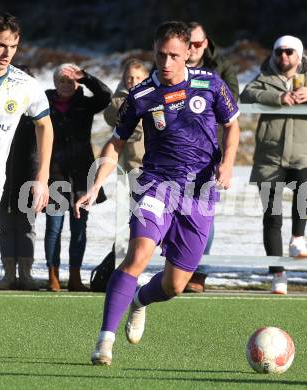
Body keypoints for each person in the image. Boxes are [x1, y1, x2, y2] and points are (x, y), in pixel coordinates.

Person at [75, 21, 240, 366]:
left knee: (175, 285)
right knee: (137, 256)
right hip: (156, 184)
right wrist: (95, 184)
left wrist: (227, 163)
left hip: (200, 191)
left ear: (189, 54)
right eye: (160, 55)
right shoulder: (141, 95)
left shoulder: (211, 85)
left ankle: (139, 300)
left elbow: (232, 125)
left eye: (173, 56)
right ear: (154, 51)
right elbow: (116, 142)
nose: (165, 63)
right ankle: (104, 341)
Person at [240, 35, 307, 294]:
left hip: (303, 153)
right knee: (272, 216)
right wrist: (277, 98)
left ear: (299, 55)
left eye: (289, 52)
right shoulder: (265, 77)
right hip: (270, 156)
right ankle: (278, 275)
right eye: (279, 52)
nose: (283, 57)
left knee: (303, 191)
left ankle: (298, 239)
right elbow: (246, 95)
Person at [45, 63, 111, 292]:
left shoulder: (85, 103)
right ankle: (52, 275)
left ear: (76, 84)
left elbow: (106, 95)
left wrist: (86, 77)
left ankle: (75, 277)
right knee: (53, 228)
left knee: (79, 229)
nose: (65, 85)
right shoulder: (44, 103)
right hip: (54, 175)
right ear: (55, 83)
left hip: (82, 176)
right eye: (61, 81)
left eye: (70, 81)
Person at [184, 21, 240, 293]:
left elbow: (230, 109)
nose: (193, 49)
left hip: (208, 152)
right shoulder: (169, 65)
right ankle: (178, 267)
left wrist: (226, 163)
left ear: (206, 43)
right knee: (172, 212)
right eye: (189, 43)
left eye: (198, 43)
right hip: (172, 153)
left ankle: (199, 272)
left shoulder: (221, 69)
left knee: (204, 214)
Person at [0, 13, 53, 288]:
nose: (5, 52)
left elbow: (45, 125)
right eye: (0, 44)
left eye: (12, 46)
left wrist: (42, 177)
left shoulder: (25, 85)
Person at [0, 65, 39, 290]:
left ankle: (26, 274)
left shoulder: (36, 115)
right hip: (3, 180)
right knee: (5, 227)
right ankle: (8, 275)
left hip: (28, 180)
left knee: (26, 227)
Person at [103, 58, 149, 172]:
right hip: (132, 159)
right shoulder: (119, 99)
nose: (133, 81)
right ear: (124, 79)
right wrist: (119, 104)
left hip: (153, 156)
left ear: (145, 79)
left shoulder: (152, 97)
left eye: (138, 78)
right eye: (130, 77)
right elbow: (109, 118)